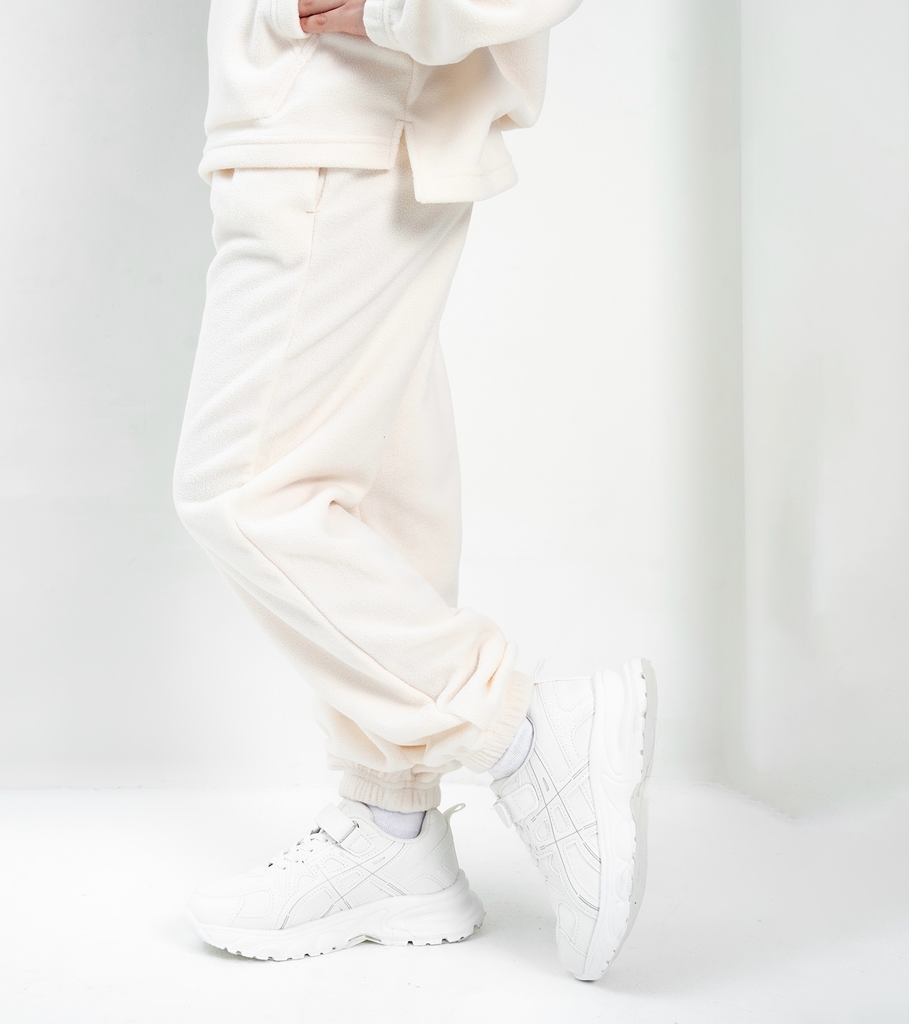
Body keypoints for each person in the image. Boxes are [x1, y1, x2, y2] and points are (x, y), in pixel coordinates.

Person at [173, 0, 656, 980]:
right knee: (375, 499)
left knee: (243, 491)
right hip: (322, 121)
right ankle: (391, 826)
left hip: (335, 121)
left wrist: (401, 9)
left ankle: (520, 726)